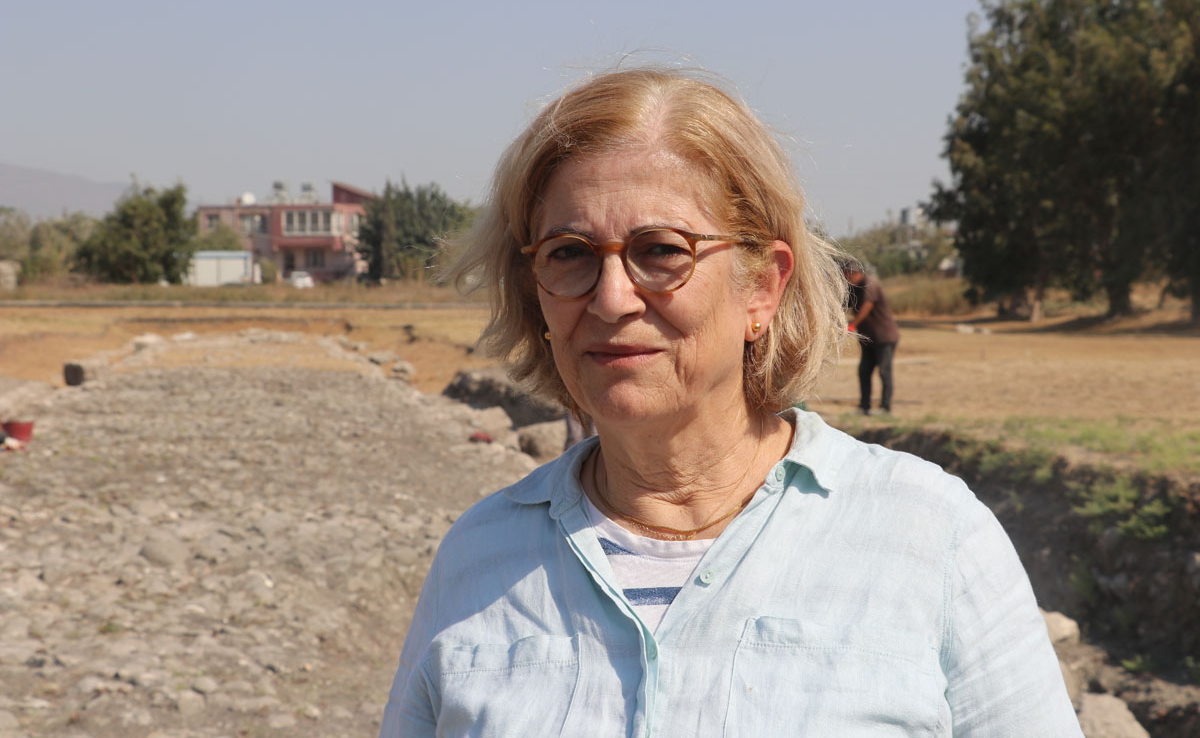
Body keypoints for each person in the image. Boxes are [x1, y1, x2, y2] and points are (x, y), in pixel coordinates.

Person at [379, 68, 1081, 736]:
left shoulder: (933, 538)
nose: (612, 298)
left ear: (763, 288)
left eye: (662, 250)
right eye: (569, 253)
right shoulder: (477, 557)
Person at [843, 259, 900, 415]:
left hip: (884, 337)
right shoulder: (854, 287)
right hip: (868, 338)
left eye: (847, 275)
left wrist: (852, 325)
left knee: (884, 371)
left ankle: (885, 407)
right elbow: (845, 303)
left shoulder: (870, 283)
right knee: (864, 371)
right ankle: (864, 406)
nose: (846, 278)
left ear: (856, 273)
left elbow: (867, 305)